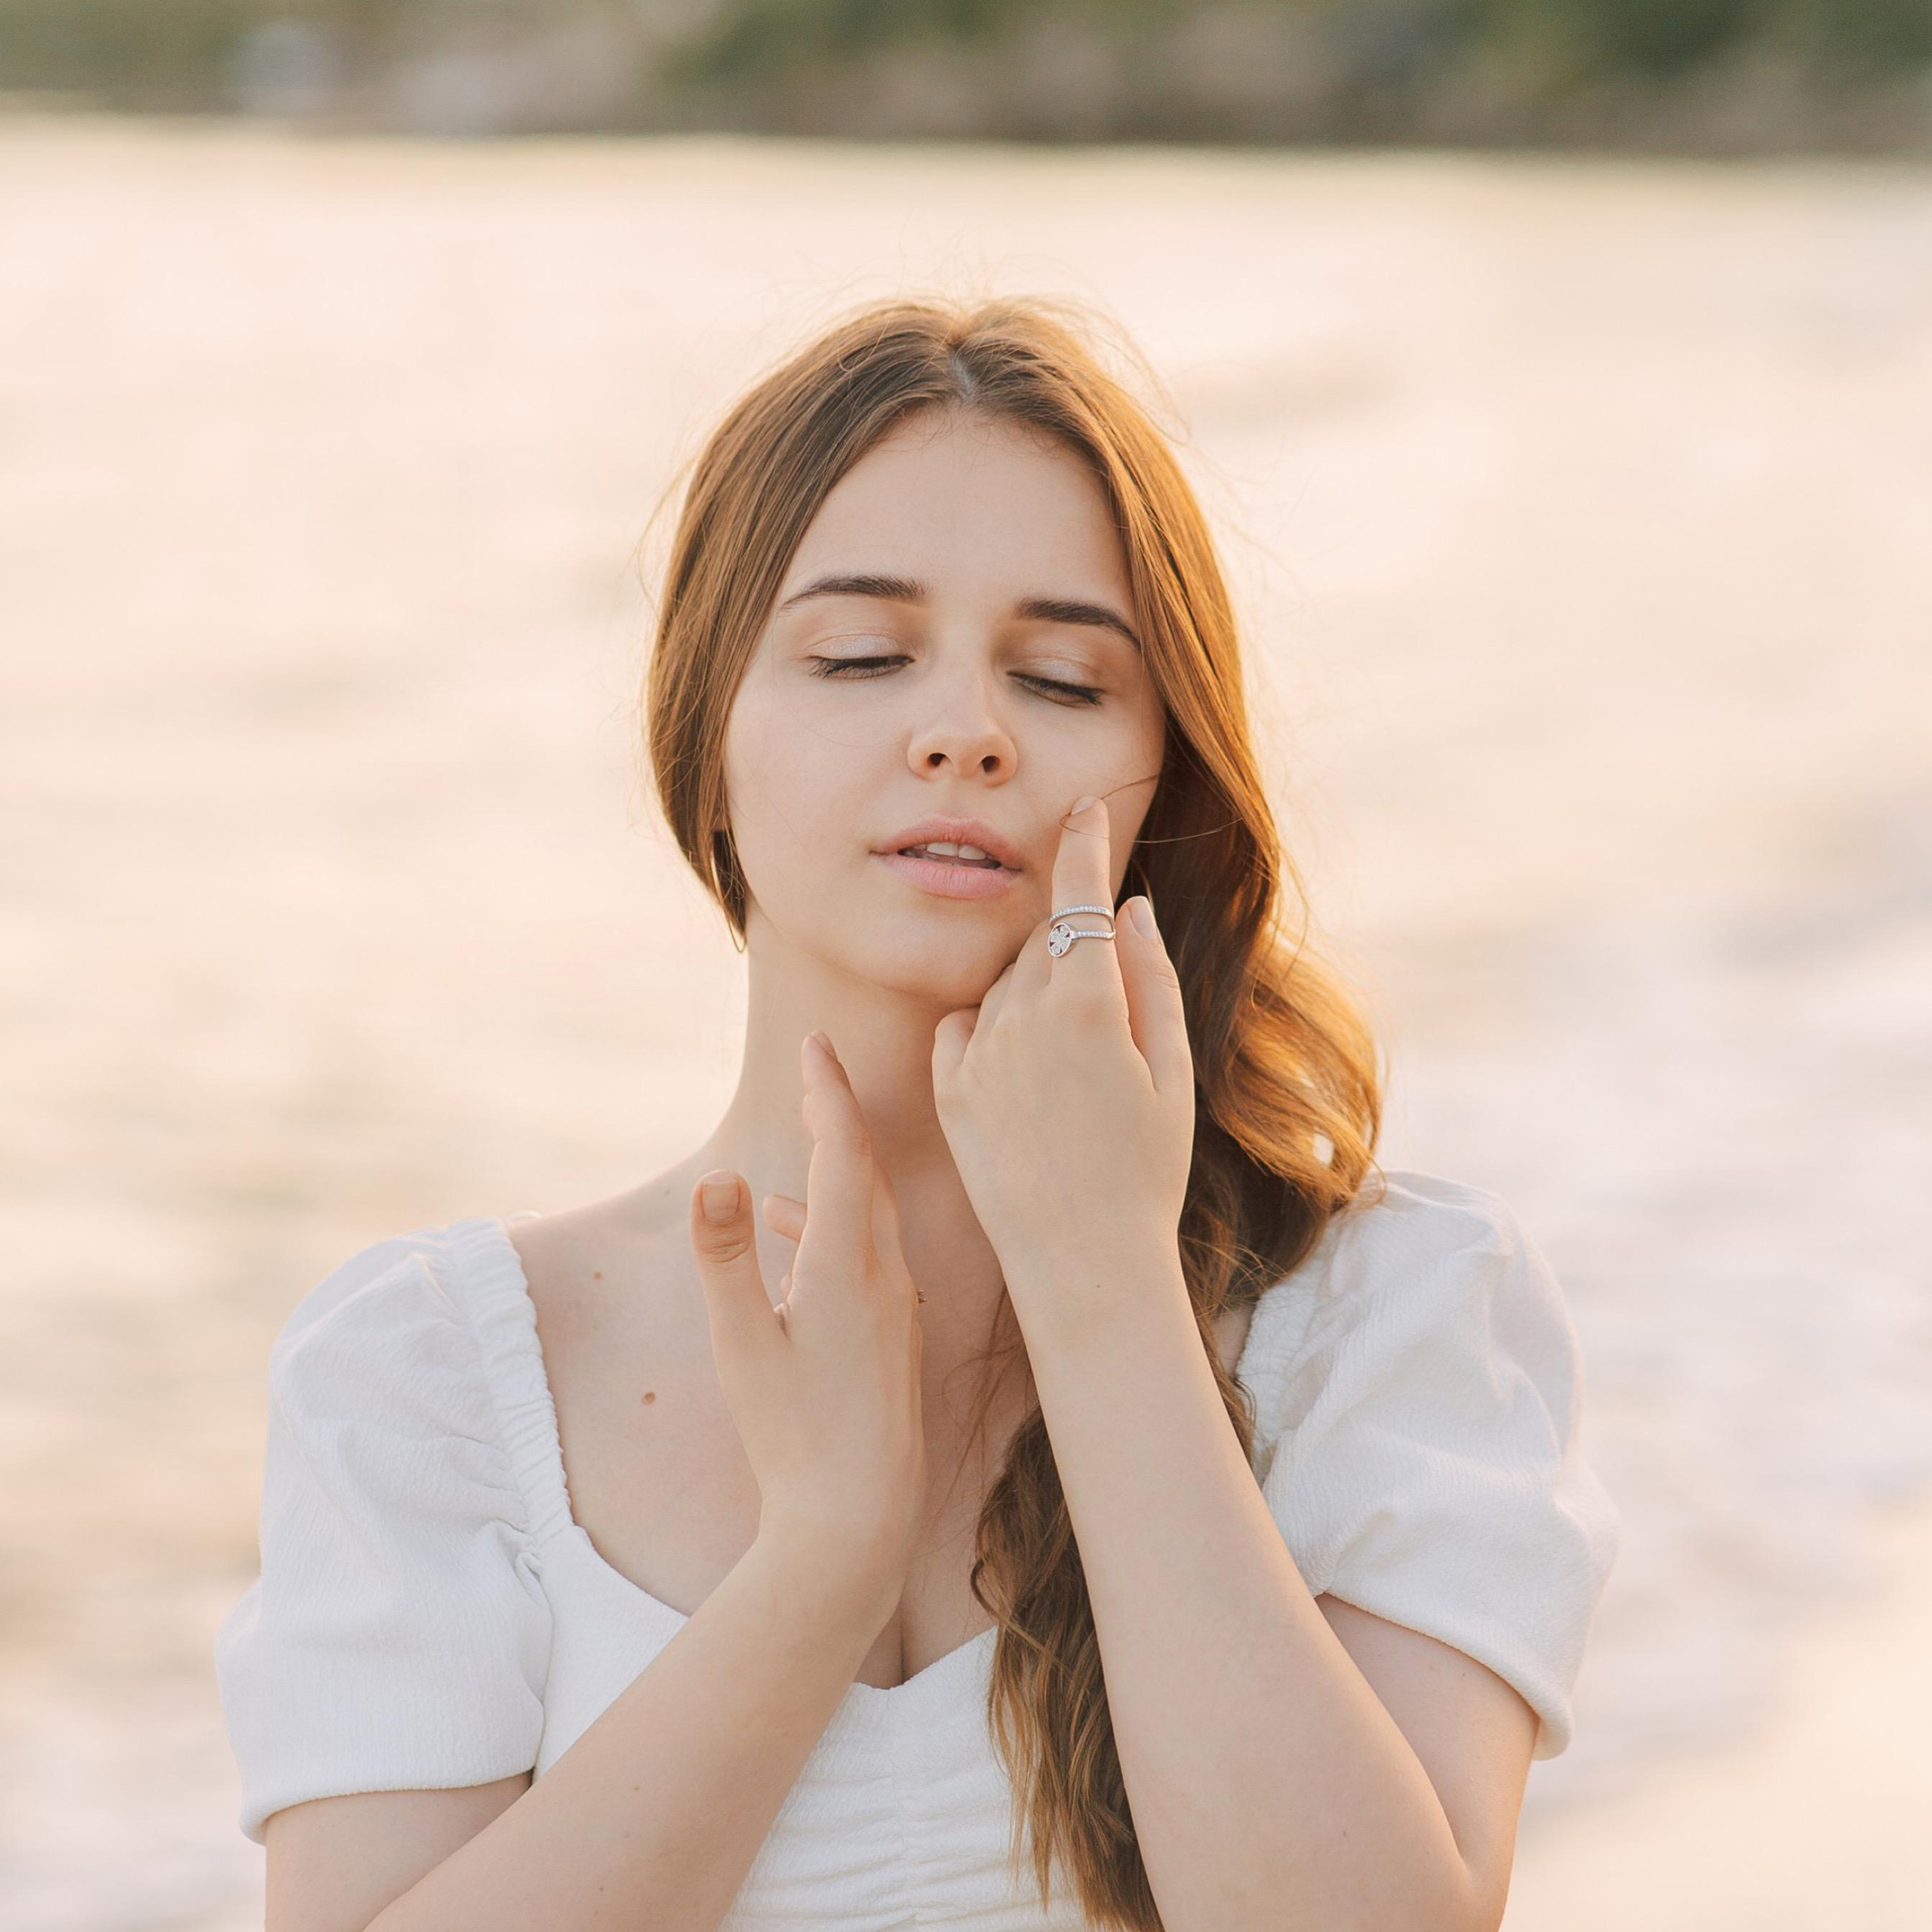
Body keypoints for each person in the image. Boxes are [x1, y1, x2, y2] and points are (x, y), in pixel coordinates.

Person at [214, 292, 1621, 1932]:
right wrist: (817, 1557)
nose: (964, 727)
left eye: (1060, 676)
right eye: (861, 655)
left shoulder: (1386, 1314)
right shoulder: (435, 1369)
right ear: (707, 729)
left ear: (1160, 768)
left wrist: (1098, 1290)